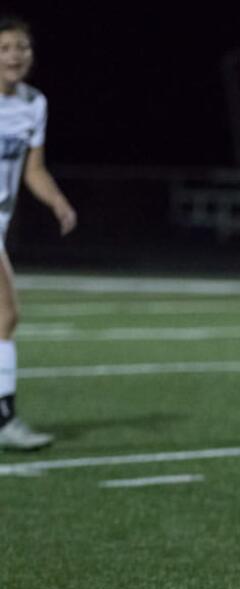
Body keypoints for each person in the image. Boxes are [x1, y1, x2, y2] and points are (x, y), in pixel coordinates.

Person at [0, 17, 75, 452]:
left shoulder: (33, 103)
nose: (15, 56)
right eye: (6, 47)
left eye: (22, 48)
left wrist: (58, 202)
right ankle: (5, 419)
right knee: (6, 313)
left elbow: (34, 169)